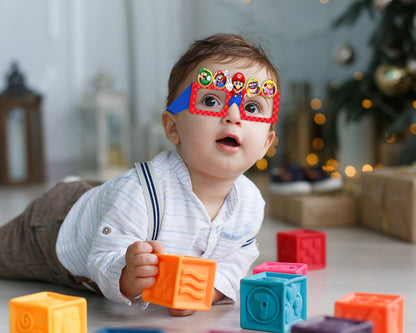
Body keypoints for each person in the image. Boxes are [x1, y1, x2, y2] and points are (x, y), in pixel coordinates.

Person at [0, 33, 280, 317]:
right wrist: (126, 273)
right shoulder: (143, 193)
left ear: (266, 143)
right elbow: (101, 255)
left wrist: (205, 291)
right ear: (173, 128)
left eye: (252, 107)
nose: (233, 114)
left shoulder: (250, 204)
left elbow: (236, 259)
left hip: (111, 204)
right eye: (210, 101)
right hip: (55, 228)